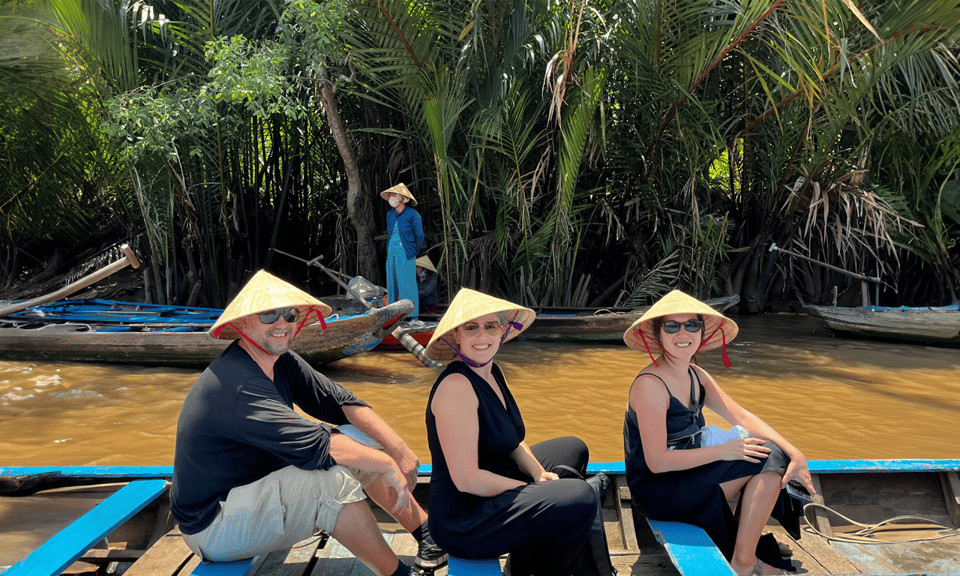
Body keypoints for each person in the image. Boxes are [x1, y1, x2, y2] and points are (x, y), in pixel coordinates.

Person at [170, 270, 446, 574]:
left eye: (289, 315)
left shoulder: (280, 361)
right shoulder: (237, 384)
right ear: (242, 323)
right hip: (213, 525)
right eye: (269, 315)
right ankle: (399, 574)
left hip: (251, 490)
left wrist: (399, 449)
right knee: (333, 482)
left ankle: (428, 535)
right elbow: (321, 445)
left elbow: (341, 402)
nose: (282, 324)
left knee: (364, 438)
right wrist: (386, 463)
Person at [622, 289, 813, 576]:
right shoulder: (650, 385)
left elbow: (742, 416)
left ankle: (741, 544)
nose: (682, 333)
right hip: (659, 492)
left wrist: (797, 454)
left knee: (771, 451)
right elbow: (657, 462)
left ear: (701, 332)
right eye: (672, 326)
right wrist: (725, 451)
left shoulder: (696, 375)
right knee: (766, 455)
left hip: (688, 476)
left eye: (692, 325)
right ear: (658, 334)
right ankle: (745, 562)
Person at [423, 288, 597, 576]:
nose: (482, 336)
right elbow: (467, 480)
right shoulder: (456, 387)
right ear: (456, 335)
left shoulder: (492, 372)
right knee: (580, 496)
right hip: (464, 518)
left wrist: (539, 474)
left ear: (502, 330)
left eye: (491, 325)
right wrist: (531, 489)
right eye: (471, 327)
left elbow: (512, 440)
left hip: (491, 487)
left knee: (572, 448)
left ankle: (524, 562)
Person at [382, 183, 424, 320]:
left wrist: (413, 251)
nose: (391, 198)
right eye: (391, 195)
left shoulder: (413, 214)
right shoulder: (390, 215)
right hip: (391, 252)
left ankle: (414, 317)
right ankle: (393, 316)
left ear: (403, 198)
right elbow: (389, 233)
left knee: (408, 286)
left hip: (406, 253)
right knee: (392, 285)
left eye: (394, 195)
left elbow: (420, 236)